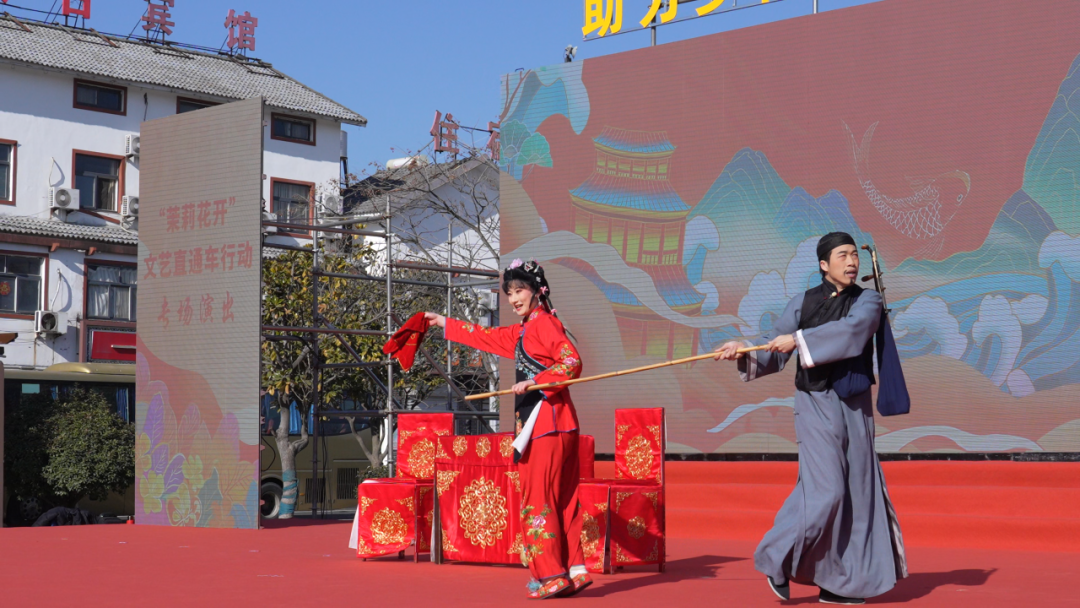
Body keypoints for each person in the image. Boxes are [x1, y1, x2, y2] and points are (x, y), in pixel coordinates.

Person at [714, 232, 907, 605]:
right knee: (827, 491)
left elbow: (851, 334)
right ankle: (776, 559)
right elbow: (773, 348)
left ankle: (841, 583)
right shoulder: (802, 303)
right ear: (824, 264)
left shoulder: (868, 301)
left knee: (857, 495)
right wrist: (741, 350)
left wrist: (799, 340)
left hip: (855, 406)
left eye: (855, 255)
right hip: (814, 403)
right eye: (842, 255)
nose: (852, 262)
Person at [424, 259, 590, 599]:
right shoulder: (525, 330)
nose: (514, 298)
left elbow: (572, 362)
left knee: (538, 500)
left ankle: (553, 574)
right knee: (562, 500)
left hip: (545, 425)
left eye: (520, 291)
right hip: (559, 425)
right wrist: (443, 322)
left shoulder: (543, 324)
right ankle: (574, 568)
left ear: (537, 291)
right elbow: (486, 336)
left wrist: (535, 381)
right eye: (510, 293)